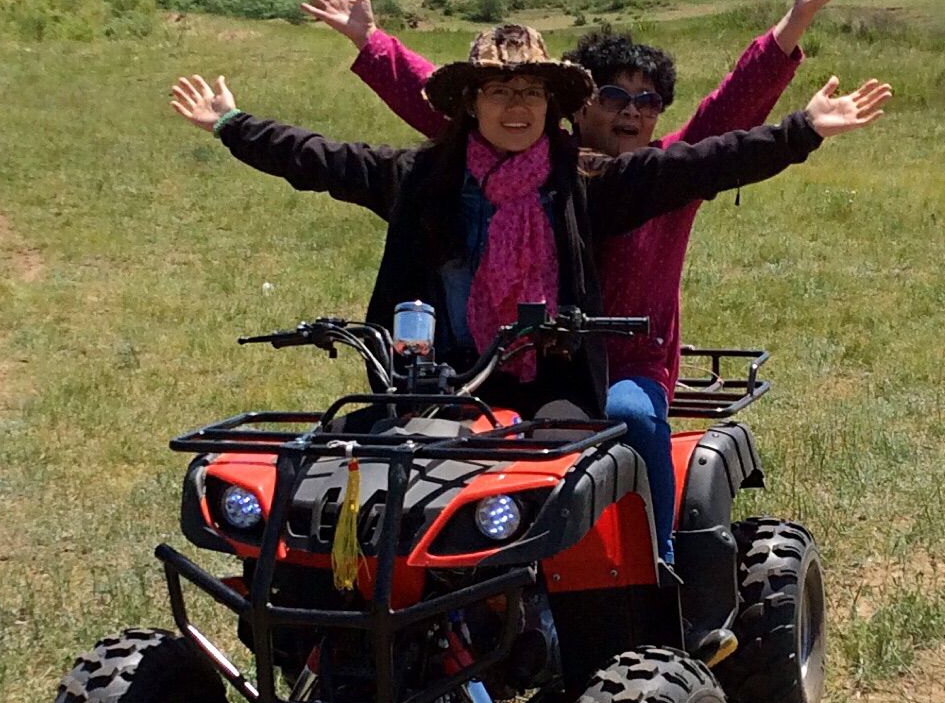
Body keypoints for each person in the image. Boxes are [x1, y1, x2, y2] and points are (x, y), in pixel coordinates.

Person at [298, 0, 875, 564]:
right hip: (536, 360)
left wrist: (794, 25)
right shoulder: (540, 168)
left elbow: (729, 114)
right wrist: (371, 42)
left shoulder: (666, 176)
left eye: (649, 100)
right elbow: (461, 108)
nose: (632, 110)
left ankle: (660, 565)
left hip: (628, 361)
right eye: (613, 95)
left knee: (630, 414)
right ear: (576, 106)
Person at [169, 24, 890, 424]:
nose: (515, 106)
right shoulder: (422, 179)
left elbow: (703, 160)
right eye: (498, 92)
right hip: (438, 382)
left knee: (584, 480)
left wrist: (800, 130)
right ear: (471, 105)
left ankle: (631, 612)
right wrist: (231, 123)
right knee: (346, 461)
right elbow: (321, 159)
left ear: (551, 106)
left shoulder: (586, 184)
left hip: (554, 388)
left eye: (530, 92)